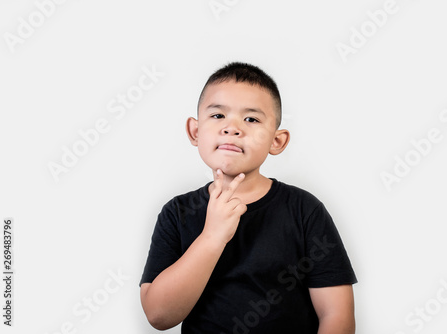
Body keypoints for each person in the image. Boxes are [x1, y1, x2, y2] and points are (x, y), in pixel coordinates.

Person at [139, 62, 357, 333]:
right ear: (195, 131)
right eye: (218, 115)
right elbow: (159, 315)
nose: (232, 128)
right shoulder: (177, 212)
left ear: (277, 141)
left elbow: (336, 314)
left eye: (251, 119)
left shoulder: (304, 210)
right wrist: (212, 236)